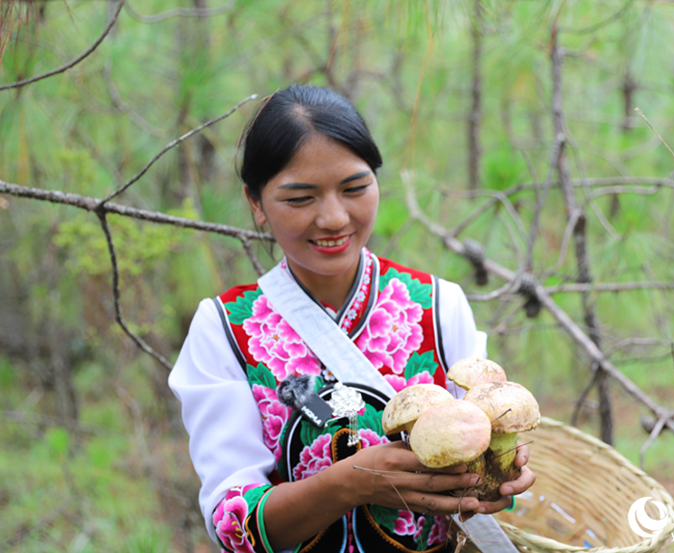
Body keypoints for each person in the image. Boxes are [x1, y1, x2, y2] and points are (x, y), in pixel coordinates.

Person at [169, 85, 535, 553]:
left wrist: (500, 471)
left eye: (355, 188)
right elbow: (233, 525)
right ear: (256, 203)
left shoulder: (439, 306)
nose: (334, 218)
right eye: (300, 199)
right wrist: (350, 484)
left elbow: (479, 475)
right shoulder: (225, 329)